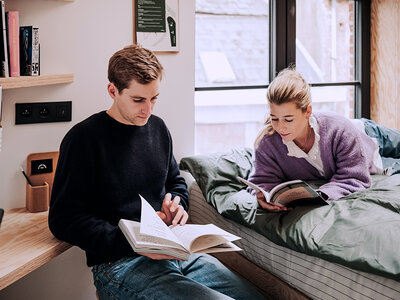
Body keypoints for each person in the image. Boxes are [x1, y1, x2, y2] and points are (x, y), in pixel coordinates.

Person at [49, 44, 264, 300]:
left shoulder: (158, 129)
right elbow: (63, 219)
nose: (148, 110)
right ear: (112, 90)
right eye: (138, 100)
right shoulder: (83, 139)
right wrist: (133, 241)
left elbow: (175, 182)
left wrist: (177, 203)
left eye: (154, 99)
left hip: (175, 253)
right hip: (119, 265)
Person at [249, 68, 400, 212]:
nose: (280, 127)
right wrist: (263, 197)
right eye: (274, 118)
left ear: (308, 112)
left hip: (369, 138)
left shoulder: (339, 130)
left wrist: (322, 194)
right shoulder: (267, 142)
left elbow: (353, 177)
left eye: (288, 120)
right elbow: (262, 181)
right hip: (356, 144)